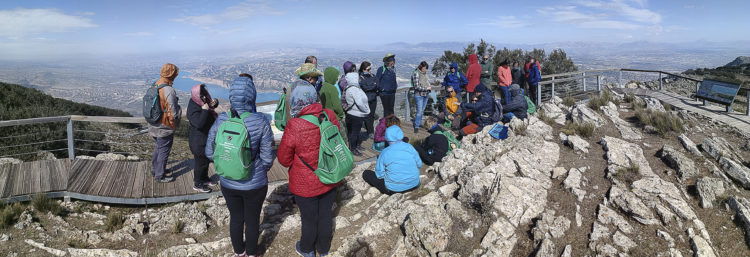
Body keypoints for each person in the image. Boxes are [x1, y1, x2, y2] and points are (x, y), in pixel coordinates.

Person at [205, 74, 274, 257]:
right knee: (252, 220)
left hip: (228, 182)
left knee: (236, 218)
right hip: (255, 183)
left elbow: (210, 153)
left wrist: (228, 164)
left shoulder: (221, 120)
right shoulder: (261, 122)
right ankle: (251, 253)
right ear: (252, 95)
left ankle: (238, 252)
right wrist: (257, 169)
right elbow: (267, 158)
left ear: (232, 96)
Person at [277, 66, 340, 257]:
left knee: (309, 219)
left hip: (306, 184)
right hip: (330, 175)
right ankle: (324, 249)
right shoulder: (329, 115)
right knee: (325, 215)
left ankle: (306, 249)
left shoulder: (295, 125)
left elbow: (283, 158)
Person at [363, 125, 421, 194]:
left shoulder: (385, 152)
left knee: (366, 173)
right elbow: (419, 164)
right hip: (415, 184)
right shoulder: (409, 146)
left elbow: (379, 174)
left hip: (394, 189)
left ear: (387, 137)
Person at [148, 63, 182, 183]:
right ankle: (160, 175)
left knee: (158, 147)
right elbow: (173, 112)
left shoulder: (155, 84)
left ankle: (155, 169)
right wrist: (175, 124)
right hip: (164, 126)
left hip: (153, 123)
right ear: (172, 74)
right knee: (164, 151)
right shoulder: (168, 90)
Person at [187, 83, 218, 193]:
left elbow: (209, 112)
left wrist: (213, 104)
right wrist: (205, 110)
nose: (204, 97)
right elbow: (199, 123)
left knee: (205, 161)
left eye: (205, 94)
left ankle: (204, 179)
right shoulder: (193, 107)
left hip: (205, 138)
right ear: (196, 96)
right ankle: (198, 183)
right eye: (202, 95)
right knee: (200, 163)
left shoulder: (200, 102)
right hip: (198, 141)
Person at [344, 62, 370, 156]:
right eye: (357, 77)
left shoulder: (349, 88)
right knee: (355, 132)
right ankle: (354, 149)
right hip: (356, 114)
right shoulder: (355, 89)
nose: (359, 79)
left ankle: (354, 146)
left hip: (350, 114)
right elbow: (360, 103)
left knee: (352, 132)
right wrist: (367, 111)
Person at [359, 61, 378, 138]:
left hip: (373, 98)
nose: (370, 70)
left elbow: (377, 84)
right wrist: (373, 86)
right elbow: (365, 87)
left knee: (372, 115)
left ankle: (371, 131)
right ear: (363, 69)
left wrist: (371, 86)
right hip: (366, 99)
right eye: (368, 69)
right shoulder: (360, 77)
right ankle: (370, 131)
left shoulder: (373, 75)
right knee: (367, 116)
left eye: (370, 68)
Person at [411, 61, 431, 134]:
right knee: (419, 111)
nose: (425, 70)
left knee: (422, 111)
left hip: (425, 95)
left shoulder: (424, 74)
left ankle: (419, 124)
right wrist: (426, 88)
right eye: (424, 68)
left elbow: (426, 82)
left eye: (426, 68)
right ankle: (416, 126)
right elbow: (416, 87)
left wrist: (429, 87)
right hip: (419, 95)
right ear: (421, 67)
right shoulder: (416, 73)